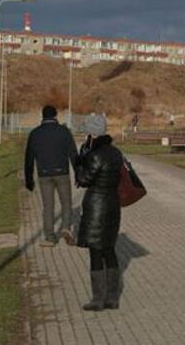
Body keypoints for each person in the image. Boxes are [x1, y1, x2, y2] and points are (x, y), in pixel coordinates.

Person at [76, 114, 124, 311]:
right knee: (109, 250)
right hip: (113, 205)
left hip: (97, 207)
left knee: (95, 251)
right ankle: (112, 298)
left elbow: (84, 180)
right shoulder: (116, 152)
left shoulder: (94, 155)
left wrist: (79, 162)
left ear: (92, 132)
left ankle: (98, 299)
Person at [24, 105, 78, 247]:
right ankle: (66, 228)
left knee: (48, 206)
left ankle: (50, 237)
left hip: (44, 175)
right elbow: (73, 154)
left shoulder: (35, 134)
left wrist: (29, 179)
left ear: (43, 116)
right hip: (62, 173)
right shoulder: (64, 131)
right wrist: (79, 174)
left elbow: (28, 158)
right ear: (55, 116)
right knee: (66, 203)